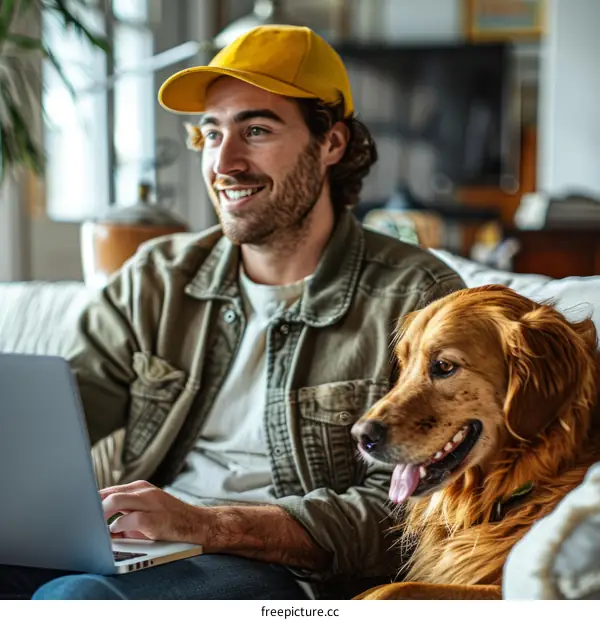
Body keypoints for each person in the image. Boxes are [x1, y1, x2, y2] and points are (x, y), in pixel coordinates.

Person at [0, 24, 464, 600]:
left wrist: (211, 525)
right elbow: (57, 418)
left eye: (258, 130)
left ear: (332, 145)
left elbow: (412, 514)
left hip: (288, 573)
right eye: (212, 132)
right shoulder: (159, 278)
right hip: (147, 547)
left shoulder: (416, 298)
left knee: (75, 603)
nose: (225, 161)